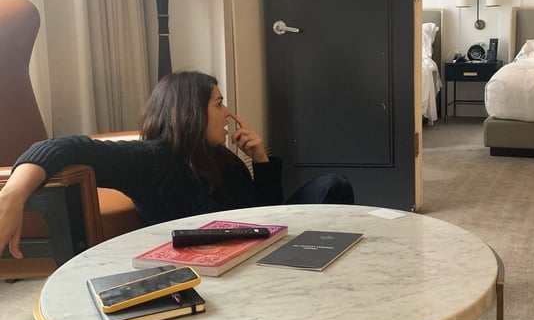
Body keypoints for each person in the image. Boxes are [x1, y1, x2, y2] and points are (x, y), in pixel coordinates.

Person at [0, 71, 354, 258]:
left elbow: (266, 212)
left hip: (256, 242)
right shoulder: (150, 160)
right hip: (213, 260)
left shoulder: (222, 157)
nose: (228, 114)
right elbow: (59, 146)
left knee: (332, 186)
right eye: (218, 104)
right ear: (190, 112)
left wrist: (259, 159)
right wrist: (14, 194)